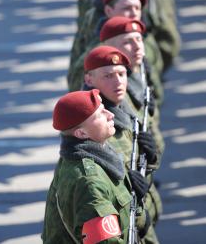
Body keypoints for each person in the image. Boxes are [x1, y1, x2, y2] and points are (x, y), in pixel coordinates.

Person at [42, 89, 149, 243]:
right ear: (81, 134)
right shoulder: (89, 183)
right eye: (100, 114)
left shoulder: (99, 156)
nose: (110, 115)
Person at [83, 45, 161, 243]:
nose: (118, 82)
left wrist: (151, 160)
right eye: (108, 76)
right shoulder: (96, 129)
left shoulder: (123, 109)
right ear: (89, 79)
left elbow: (135, 165)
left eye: (121, 74)